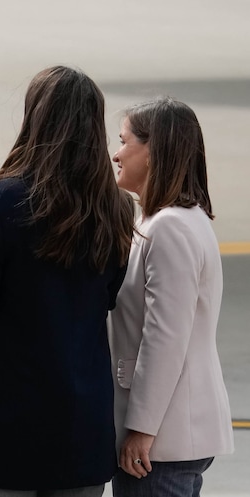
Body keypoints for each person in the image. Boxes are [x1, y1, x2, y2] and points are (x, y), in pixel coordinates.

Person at [0, 65, 135, 497]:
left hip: (1, 427)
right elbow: (108, 297)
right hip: (82, 425)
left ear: (34, 119)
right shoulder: (116, 208)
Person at [108, 96, 234, 497]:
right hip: (169, 433)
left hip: (161, 439)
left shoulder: (169, 228)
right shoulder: (172, 220)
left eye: (125, 141)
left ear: (153, 151)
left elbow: (166, 338)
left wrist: (141, 428)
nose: (115, 154)